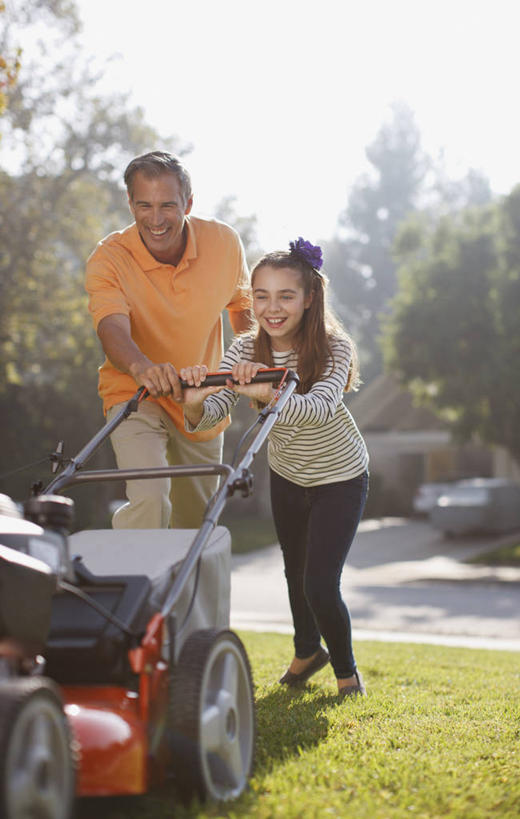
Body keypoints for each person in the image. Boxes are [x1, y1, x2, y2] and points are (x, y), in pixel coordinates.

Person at [180, 237, 369, 697]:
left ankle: (347, 675)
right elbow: (212, 411)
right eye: (261, 296)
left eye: (286, 296)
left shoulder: (332, 347)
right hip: (288, 474)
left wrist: (260, 392)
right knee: (294, 572)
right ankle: (308, 652)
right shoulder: (244, 347)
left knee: (320, 583)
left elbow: (317, 408)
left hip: (340, 477)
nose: (272, 307)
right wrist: (192, 403)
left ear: (308, 299)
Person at [85, 150, 253, 529]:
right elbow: (111, 327)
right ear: (130, 203)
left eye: (167, 205)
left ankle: (192, 590)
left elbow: (243, 310)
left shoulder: (224, 243)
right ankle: (137, 586)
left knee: (197, 525)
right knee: (150, 497)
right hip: (135, 393)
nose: (155, 219)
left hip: (202, 398)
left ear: (188, 203)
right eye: (143, 205)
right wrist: (142, 368)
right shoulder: (109, 258)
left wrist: (255, 363)